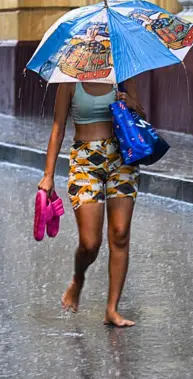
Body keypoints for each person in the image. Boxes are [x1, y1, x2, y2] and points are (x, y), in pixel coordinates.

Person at [38, 79, 146, 327]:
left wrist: (131, 104)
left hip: (123, 160)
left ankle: (112, 309)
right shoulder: (69, 81)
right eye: (92, 36)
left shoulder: (122, 74)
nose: (97, 38)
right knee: (90, 243)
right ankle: (78, 279)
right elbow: (58, 127)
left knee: (120, 234)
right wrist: (48, 175)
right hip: (85, 162)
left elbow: (141, 113)